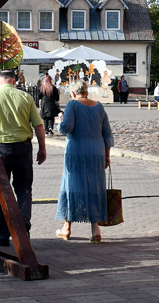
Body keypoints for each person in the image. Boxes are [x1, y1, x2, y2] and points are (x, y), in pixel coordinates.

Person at [0, 70, 46, 247]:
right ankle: (23, 226)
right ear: (14, 81)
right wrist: (42, 148)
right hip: (23, 148)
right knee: (24, 189)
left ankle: (2, 234)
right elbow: (38, 126)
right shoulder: (25, 97)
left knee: (0, 191)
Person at [55, 80, 113, 243]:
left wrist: (59, 122)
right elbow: (107, 133)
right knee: (94, 187)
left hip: (77, 151)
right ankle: (95, 229)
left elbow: (67, 128)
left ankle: (67, 228)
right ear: (86, 92)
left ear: (73, 93)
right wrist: (107, 155)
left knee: (72, 186)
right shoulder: (99, 106)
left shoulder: (72, 105)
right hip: (97, 151)